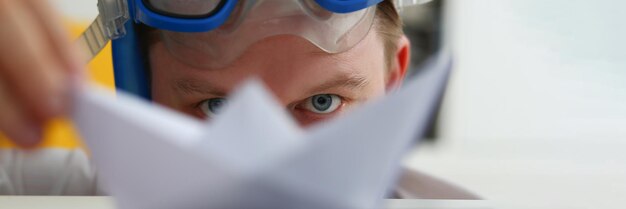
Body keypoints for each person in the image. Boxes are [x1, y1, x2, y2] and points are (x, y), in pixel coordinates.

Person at [0, 0, 478, 198]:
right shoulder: (58, 197)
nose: (272, 167)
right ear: (142, 95)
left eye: (323, 103)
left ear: (393, 80)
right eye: (218, 108)